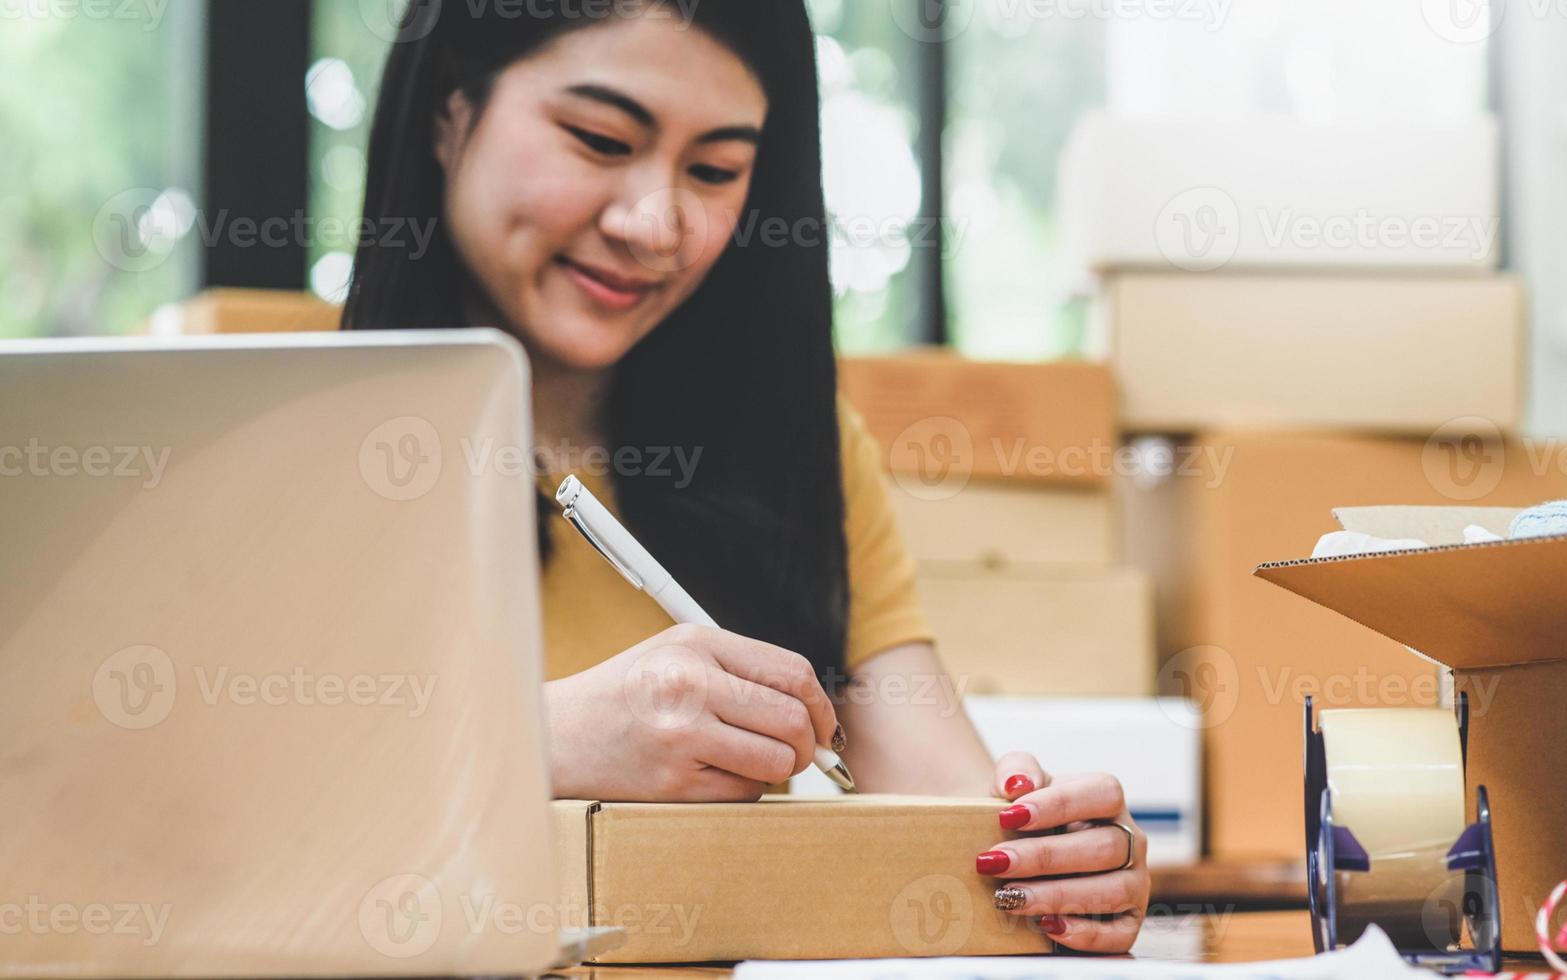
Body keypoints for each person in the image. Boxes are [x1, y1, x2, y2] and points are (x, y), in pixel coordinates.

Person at [342, 0, 1148, 952]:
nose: (655, 223)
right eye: (600, 139)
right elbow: (186, 813)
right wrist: (538, 739)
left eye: (717, 170)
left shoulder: (800, 442)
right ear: (449, 111)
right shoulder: (288, 429)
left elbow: (943, 799)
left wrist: (1053, 860)